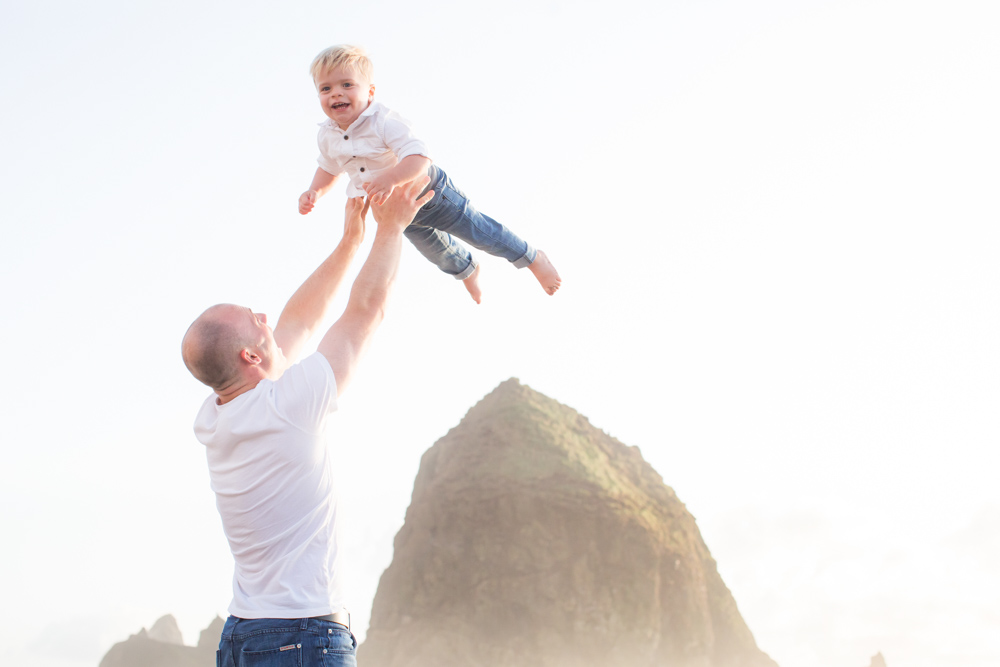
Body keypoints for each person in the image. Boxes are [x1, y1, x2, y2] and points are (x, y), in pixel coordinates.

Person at [181, 179, 434, 667]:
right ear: (250, 355)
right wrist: (391, 229)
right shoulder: (287, 407)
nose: (264, 315)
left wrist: (348, 244)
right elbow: (365, 313)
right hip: (300, 639)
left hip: (244, 636)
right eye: (255, 320)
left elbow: (297, 324)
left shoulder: (214, 418)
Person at [297, 44, 561, 304]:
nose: (335, 94)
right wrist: (315, 192)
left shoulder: (384, 122)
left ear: (370, 92)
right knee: (437, 252)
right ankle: (467, 269)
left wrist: (390, 178)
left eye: (346, 85)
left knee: (479, 231)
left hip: (432, 193)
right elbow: (329, 167)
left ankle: (532, 257)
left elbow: (419, 157)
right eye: (326, 88)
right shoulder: (327, 135)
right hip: (398, 213)